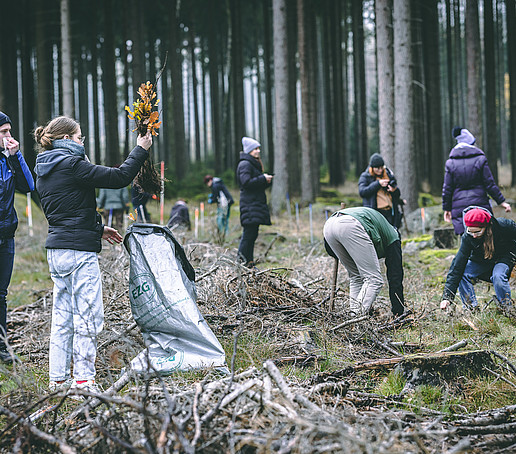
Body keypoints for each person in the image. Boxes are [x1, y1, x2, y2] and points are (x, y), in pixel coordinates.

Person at [34, 116, 152, 393]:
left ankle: (58, 380)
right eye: (79, 138)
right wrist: (141, 149)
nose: (81, 142)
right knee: (88, 318)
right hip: (78, 253)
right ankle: (85, 382)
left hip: (57, 250)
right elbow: (119, 177)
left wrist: (96, 228)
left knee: (62, 319)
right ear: (65, 139)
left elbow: (66, 209)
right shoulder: (73, 164)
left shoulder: (44, 167)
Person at [323, 206, 406, 317]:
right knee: (374, 280)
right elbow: (395, 275)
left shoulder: (381, 228)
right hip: (350, 225)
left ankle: (353, 318)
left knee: (356, 277)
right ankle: (356, 319)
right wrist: (398, 312)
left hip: (329, 226)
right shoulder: (393, 238)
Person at [0, 111, 35, 364]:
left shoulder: (7, 161)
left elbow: (28, 186)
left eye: (9, 131)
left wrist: (16, 156)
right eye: (4, 132)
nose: (9, 136)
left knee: (1, 294)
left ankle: (1, 347)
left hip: (6, 235)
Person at [440, 207, 515, 311]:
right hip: (482, 260)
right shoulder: (467, 238)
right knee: (463, 272)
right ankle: (471, 308)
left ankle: (507, 308)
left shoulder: (504, 226)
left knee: (498, 276)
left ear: (487, 226)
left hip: (504, 258)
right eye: (471, 232)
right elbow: (457, 266)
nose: (474, 236)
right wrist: (447, 298)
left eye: (478, 232)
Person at [442, 127, 510, 235]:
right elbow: (490, 184)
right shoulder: (480, 159)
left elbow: (447, 188)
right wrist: (501, 202)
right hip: (480, 205)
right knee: (485, 237)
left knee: (465, 239)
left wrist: (447, 208)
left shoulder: (451, 163)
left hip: (459, 207)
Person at [236, 137, 273, 267]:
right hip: (250, 205)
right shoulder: (245, 164)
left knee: (252, 235)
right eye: (255, 149)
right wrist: (263, 178)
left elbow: (254, 184)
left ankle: (249, 263)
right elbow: (246, 183)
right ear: (249, 151)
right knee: (248, 235)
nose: (258, 151)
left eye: (258, 149)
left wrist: (265, 181)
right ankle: (240, 263)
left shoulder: (251, 164)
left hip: (254, 205)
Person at [358, 153, 403, 228]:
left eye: (381, 168)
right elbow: (362, 192)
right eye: (377, 168)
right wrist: (378, 184)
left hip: (390, 212)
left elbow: (397, 193)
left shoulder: (388, 175)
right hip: (376, 212)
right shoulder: (365, 176)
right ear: (372, 168)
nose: (380, 170)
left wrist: (393, 190)